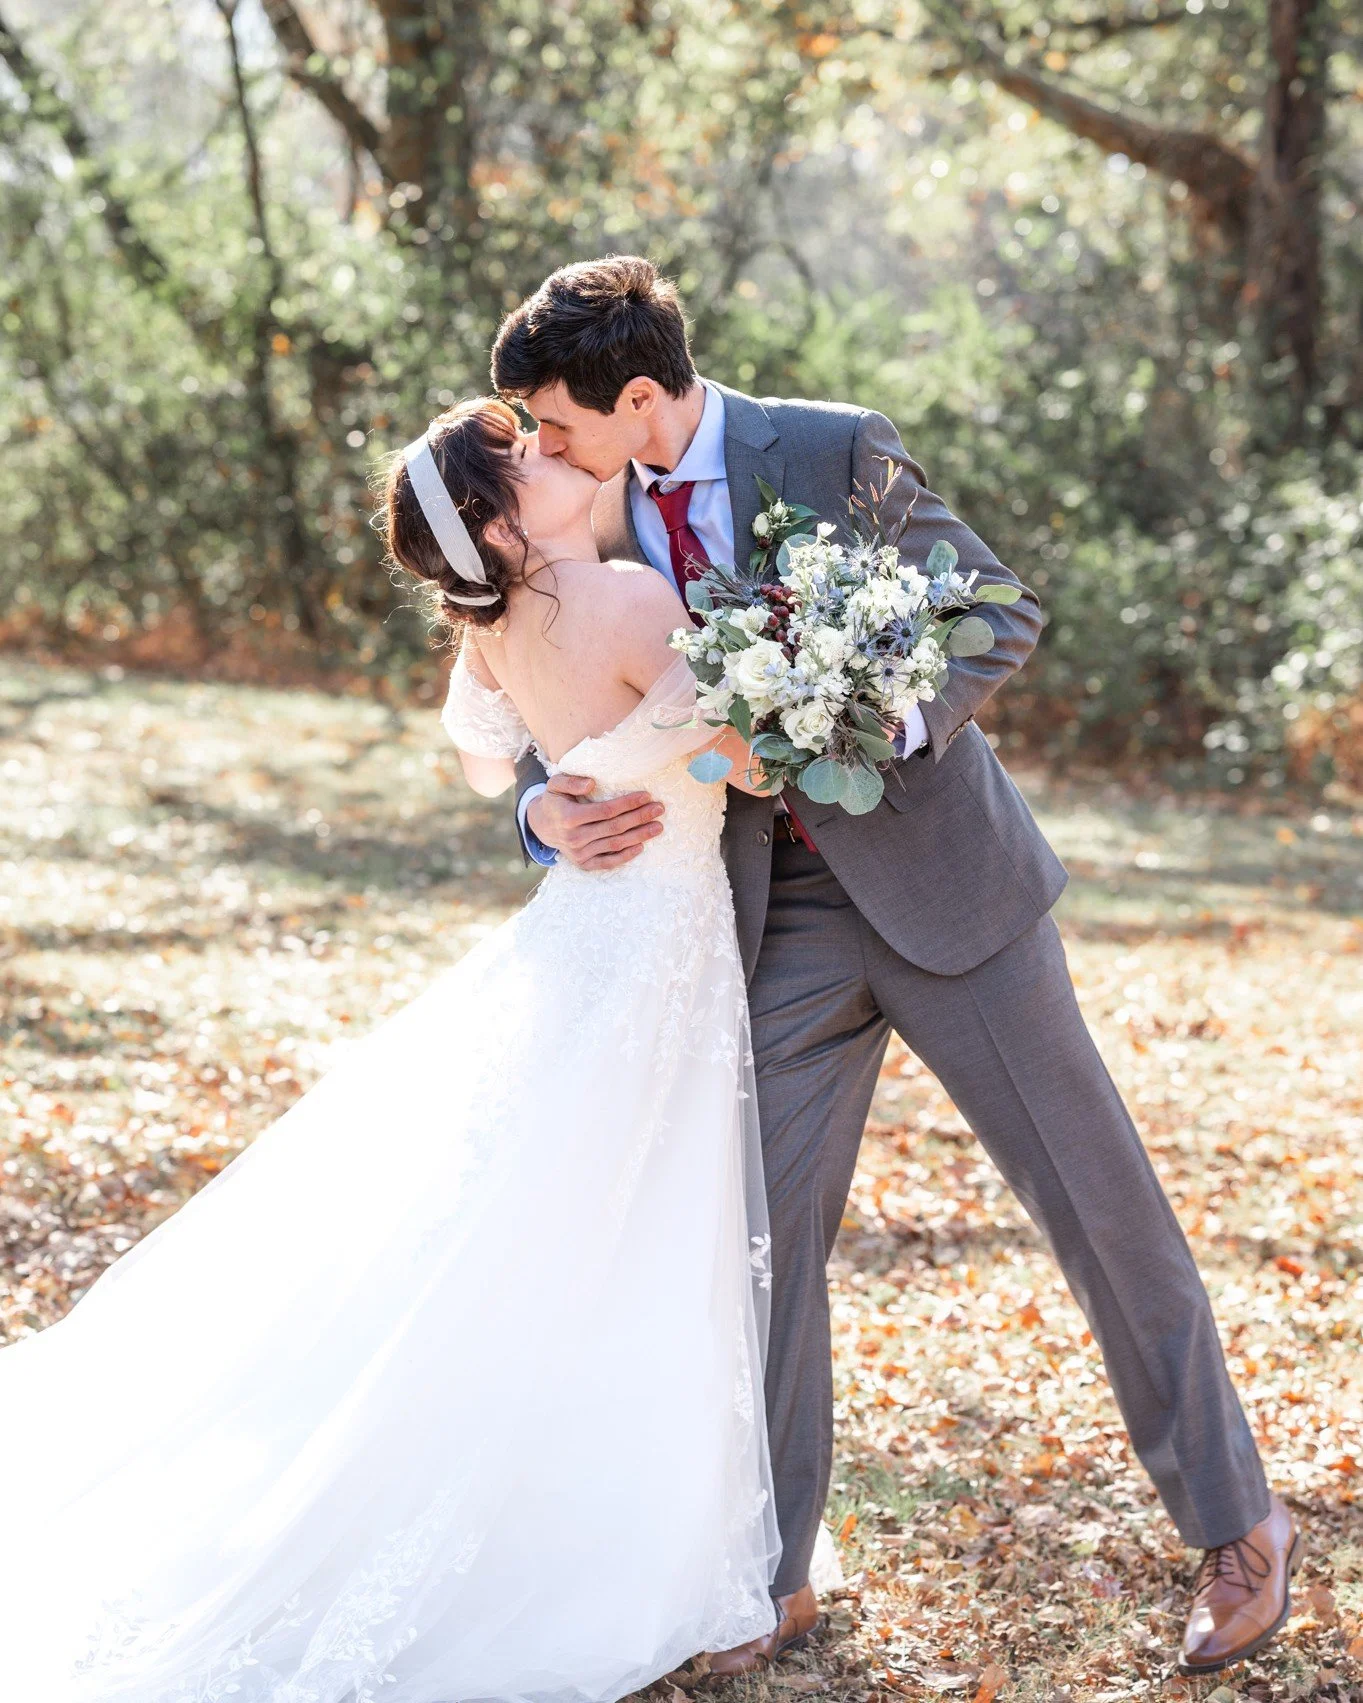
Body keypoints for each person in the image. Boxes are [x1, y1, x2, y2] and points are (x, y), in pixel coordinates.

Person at [491, 254, 1300, 1679]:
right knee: (754, 1239)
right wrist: (534, 808)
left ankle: (1236, 1526)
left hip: (947, 888)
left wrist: (861, 721)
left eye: (558, 425)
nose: (540, 456)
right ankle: (768, 1567)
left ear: (634, 396)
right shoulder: (581, 508)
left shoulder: (829, 443)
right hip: (764, 917)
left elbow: (993, 610)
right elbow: (502, 670)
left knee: (1098, 1202)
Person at [0, 397, 784, 1701]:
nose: (550, 454)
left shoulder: (492, 633)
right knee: (616, 1221)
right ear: (493, 521)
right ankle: (588, 1522)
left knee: (536, 1218)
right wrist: (797, 699)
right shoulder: (635, 601)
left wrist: (552, 782)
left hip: (586, 933)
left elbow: (481, 764)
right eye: (522, 458)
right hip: (649, 942)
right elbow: (749, 769)